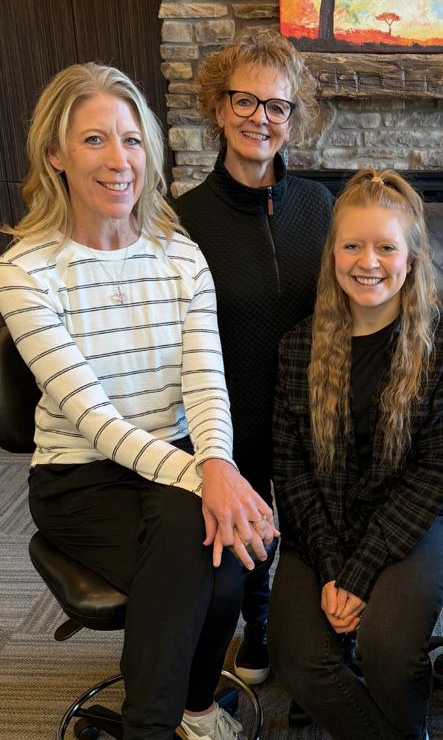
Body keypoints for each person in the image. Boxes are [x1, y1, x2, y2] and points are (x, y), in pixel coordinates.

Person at [0, 63, 277, 740]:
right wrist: (211, 479)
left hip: (177, 458)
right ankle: (183, 716)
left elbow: (206, 381)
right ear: (56, 154)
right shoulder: (25, 270)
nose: (119, 159)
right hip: (80, 476)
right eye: (94, 140)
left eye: (131, 139)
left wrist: (214, 460)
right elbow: (91, 416)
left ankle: (163, 719)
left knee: (222, 557)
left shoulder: (180, 256)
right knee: (218, 568)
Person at [267, 169, 443, 740]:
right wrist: (334, 567)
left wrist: (357, 577)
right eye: (353, 245)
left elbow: (431, 477)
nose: (369, 261)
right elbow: (292, 474)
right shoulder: (297, 346)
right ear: (332, 253)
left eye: (387, 246)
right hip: (324, 526)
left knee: (387, 648)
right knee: (296, 659)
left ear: (411, 259)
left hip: (421, 522)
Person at [173, 29, 334, 686]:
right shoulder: (182, 220)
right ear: (217, 107)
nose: (260, 119)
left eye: (277, 106)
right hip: (224, 417)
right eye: (245, 101)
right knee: (239, 549)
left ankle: (277, 626)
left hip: (302, 412)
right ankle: (246, 622)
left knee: (301, 529)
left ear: (293, 120)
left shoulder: (320, 207)